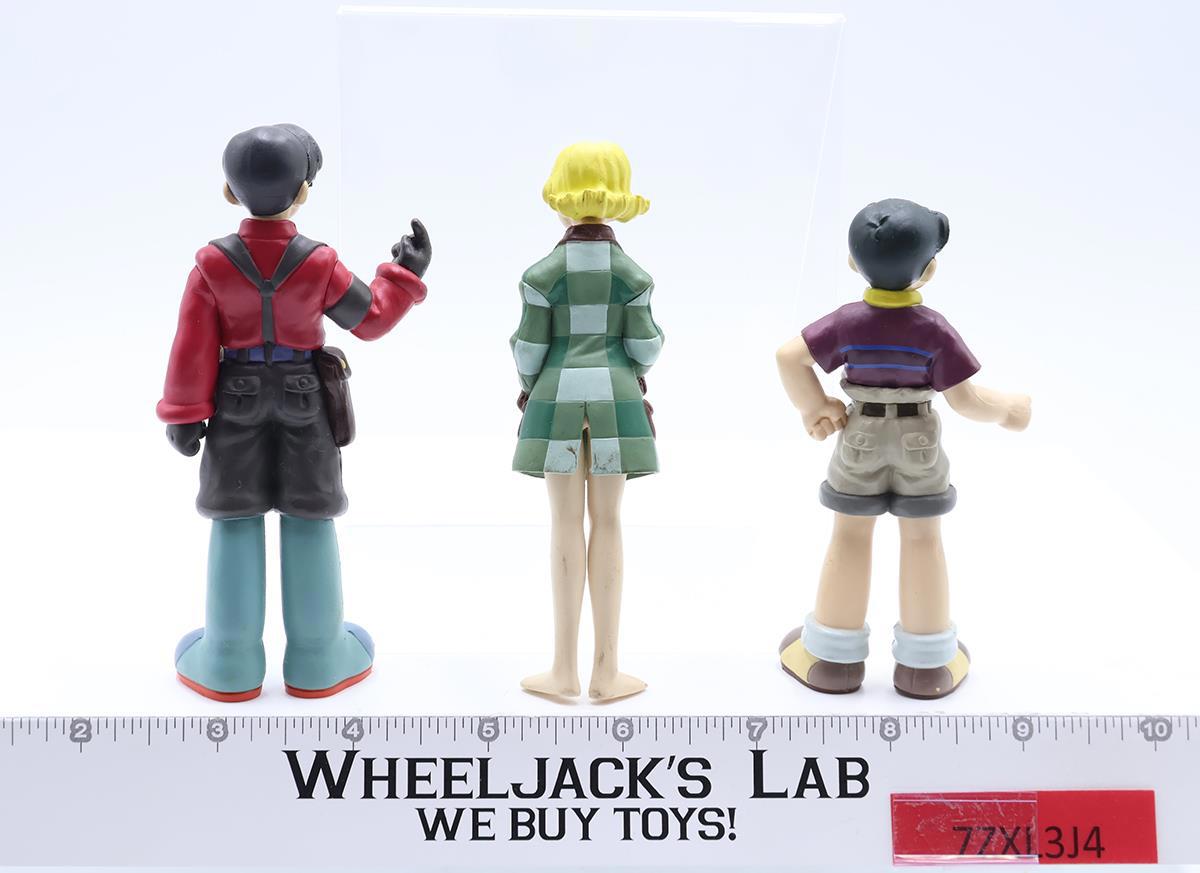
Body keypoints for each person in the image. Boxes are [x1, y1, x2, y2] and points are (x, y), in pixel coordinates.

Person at [157, 123, 432, 701]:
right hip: (306, 397)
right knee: (310, 514)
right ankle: (319, 654)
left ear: (229, 192)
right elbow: (372, 320)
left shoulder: (211, 265)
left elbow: (192, 343)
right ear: (303, 192)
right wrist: (405, 272)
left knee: (234, 515)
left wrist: (184, 413)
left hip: (235, 399)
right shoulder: (318, 263)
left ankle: (229, 658)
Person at [775, 198, 1030, 699]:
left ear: (854, 264)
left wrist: (814, 407)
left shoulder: (847, 322)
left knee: (850, 536)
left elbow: (788, 357)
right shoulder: (933, 330)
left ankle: (832, 659)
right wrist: (1007, 410)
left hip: (860, 437)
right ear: (928, 270)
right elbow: (966, 400)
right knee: (923, 540)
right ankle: (927, 666)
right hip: (919, 442)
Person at [511, 141, 662, 701]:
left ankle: (562, 671)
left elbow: (528, 351)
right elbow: (645, 347)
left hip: (555, 400)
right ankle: (606, 671)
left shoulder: (541, 274)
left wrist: (531, 386)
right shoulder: (634, 276)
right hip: (617, 401)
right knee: (610, 522)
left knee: (563, 524)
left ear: (559, 199)